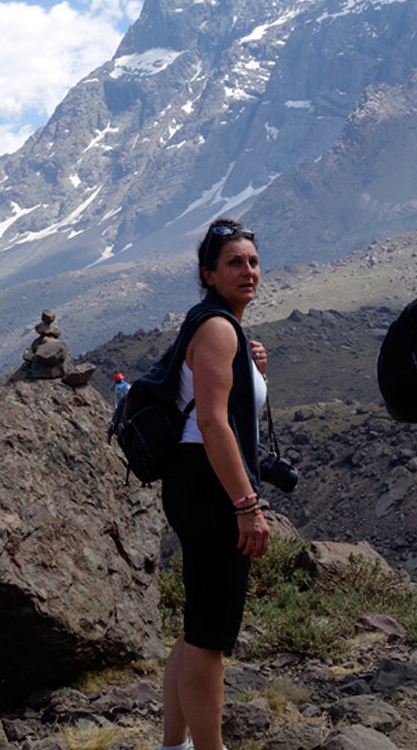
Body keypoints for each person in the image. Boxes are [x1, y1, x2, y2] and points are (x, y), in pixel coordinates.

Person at [160, 218, 270, 750]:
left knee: (197, 621)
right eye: (234, 262)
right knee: (209, 635)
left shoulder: (218, 326)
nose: (247, 270)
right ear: (209, 272)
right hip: (209, 484)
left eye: (252, 261)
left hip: (195, 480)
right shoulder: (219, 327)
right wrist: (246, 504)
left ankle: (173, 744)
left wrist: (252, 369)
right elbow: (211, 422)